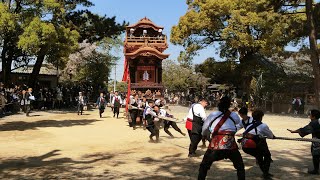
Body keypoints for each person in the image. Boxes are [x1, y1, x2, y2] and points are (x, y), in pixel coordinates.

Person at [199, 97, 245, 180]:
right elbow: (238, 122)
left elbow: (205, 128)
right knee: (240, 166)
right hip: (230, 144)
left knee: (204, 166)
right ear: (229, 105)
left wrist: (205, 135)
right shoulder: (233, 115)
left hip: (216, 145)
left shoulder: (213, 114)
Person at [238, 110, 275, 179]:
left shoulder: (249, 125)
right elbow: (271, 136)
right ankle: (265, 173)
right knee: (267, 156)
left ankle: (265, 173)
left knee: (259, 156)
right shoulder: (263, 126)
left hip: (245, 146)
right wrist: (273, 137)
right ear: (261, 117)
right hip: (252, 145)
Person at [288, 109, 320, 175]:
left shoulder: (314, 122)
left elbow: (304, 130)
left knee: (316, 155)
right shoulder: (317, 121)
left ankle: (316, 170)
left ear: (313, 116)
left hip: (317, 141)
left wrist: (293, 131)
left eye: (310, 115)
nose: (309, 116)